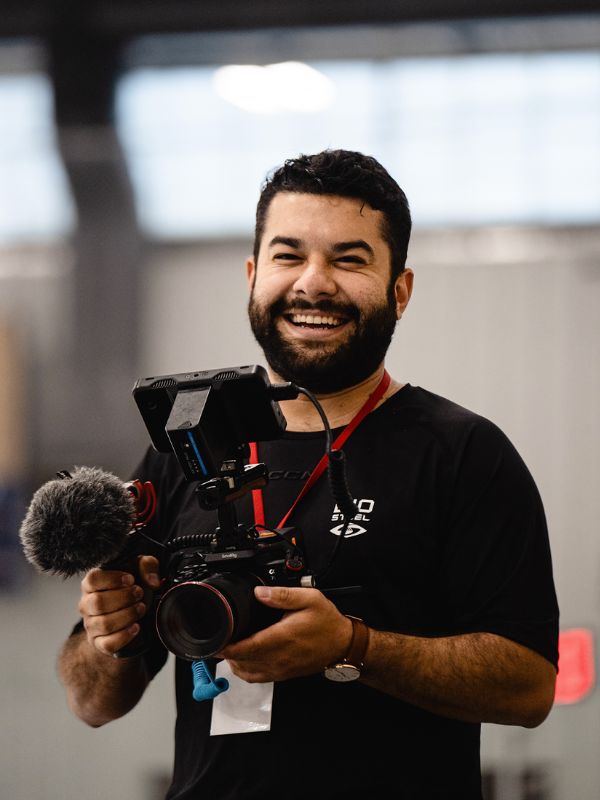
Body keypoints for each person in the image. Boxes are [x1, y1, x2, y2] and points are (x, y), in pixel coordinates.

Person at [58, 149, 559, 799]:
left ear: (398, 291)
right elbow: (92, 702)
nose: (313, 283)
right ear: (253, 274)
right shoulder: (186, 449)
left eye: (349, 259)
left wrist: (355, 646)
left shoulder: (462, 454)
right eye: (289, 256)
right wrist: (108, 637)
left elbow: (528, 688)